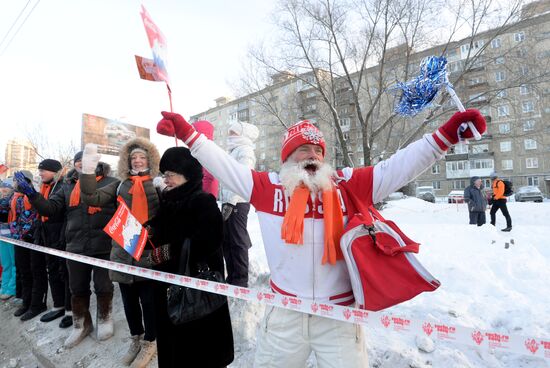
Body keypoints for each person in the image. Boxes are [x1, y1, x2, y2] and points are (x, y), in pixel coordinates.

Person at [156, 108, 486, 367]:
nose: (311, 155)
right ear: (286, 158)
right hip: (284, 313)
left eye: (316, 149)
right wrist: (188, 133)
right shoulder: (267, 187)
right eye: (301, 149)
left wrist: (445, 136)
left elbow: (398, 167)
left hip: (339, 317)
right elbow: (223, 164)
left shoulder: (347, 184)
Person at [18, 152, 118, 347]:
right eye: (77, 161)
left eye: (85, 160)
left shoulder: (111, 182)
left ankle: (105, 318)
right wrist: (32, 194)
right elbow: (50, 208)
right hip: (75, 245)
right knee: (77, 288)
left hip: (104, 245)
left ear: (95, 162)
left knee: (103, 286)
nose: (81, 163)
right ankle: (81, 324)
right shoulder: (66, 185)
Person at [146, 147, 234, 368]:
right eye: (164, 175)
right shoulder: (168, 200)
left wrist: (168, 251)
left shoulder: (203, 201)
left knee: (198, 351)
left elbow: (208, 241)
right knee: (174, 348)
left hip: (195, 291)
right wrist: (149, 230)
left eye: (170, 175)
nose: (166, 180)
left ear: (187, 174)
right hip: (169, 288)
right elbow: (163, 225)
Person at [80, 138, 160, 368]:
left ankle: (150, 341)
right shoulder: (119, 184)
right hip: (123, 251)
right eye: (133, 157)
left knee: (149, 300)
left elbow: (172, 214)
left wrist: (157, 230)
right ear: (127, 160)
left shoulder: (158, 184)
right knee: (129, 300)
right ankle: (136, 338)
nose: (137, 160)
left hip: (149, 251)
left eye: (142, 157)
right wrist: (87, 169)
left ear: (150, 159)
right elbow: (90, 198)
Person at [220, 121, 259, 287]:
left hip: (238, 202)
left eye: (233, 132)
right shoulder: (233, 151)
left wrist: (232, 202)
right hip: (228, 201)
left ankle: (241, 279)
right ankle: (233, 276)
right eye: (229, 132)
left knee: (237, 240)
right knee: (227, 240)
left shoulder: (246, 151)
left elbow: (243, 177)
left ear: (242, 135)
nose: (230, 135)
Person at [31, 159, 69, 324]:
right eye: (40, 171)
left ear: (54, 171)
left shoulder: (62, 186)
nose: (40, 173)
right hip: (47, 235)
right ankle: (58, 305)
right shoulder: (44, 187)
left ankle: (70, 309)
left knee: (64, 272)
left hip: (61, 235)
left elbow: (54, 209)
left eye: (43, 170)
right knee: (52, 270)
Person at [4, 171, 41, 320]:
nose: (14, 183)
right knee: (24, 271)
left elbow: (31, 217)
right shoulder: (14, 197)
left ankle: (36, 304)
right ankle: (26, 302)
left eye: (17, 181)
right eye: (14, 180)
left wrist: (26, 233)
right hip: (18, 239)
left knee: (35, 272)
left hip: (32, 240)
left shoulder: (32, 195)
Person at [192, 120, 219, 198]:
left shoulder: (207, 150)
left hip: (204, 195)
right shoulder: (200, 150)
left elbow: (209, 177)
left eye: (194, 131)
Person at [0, 181, 16, 300]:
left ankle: (11, 289)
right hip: (2, 236)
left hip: (13, 237)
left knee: (14, 263)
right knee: (6, 264)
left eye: (7, 187)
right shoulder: (1, 200)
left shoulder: (13, 199)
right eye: (2, 187)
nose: (4, 189)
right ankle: (4, 288)